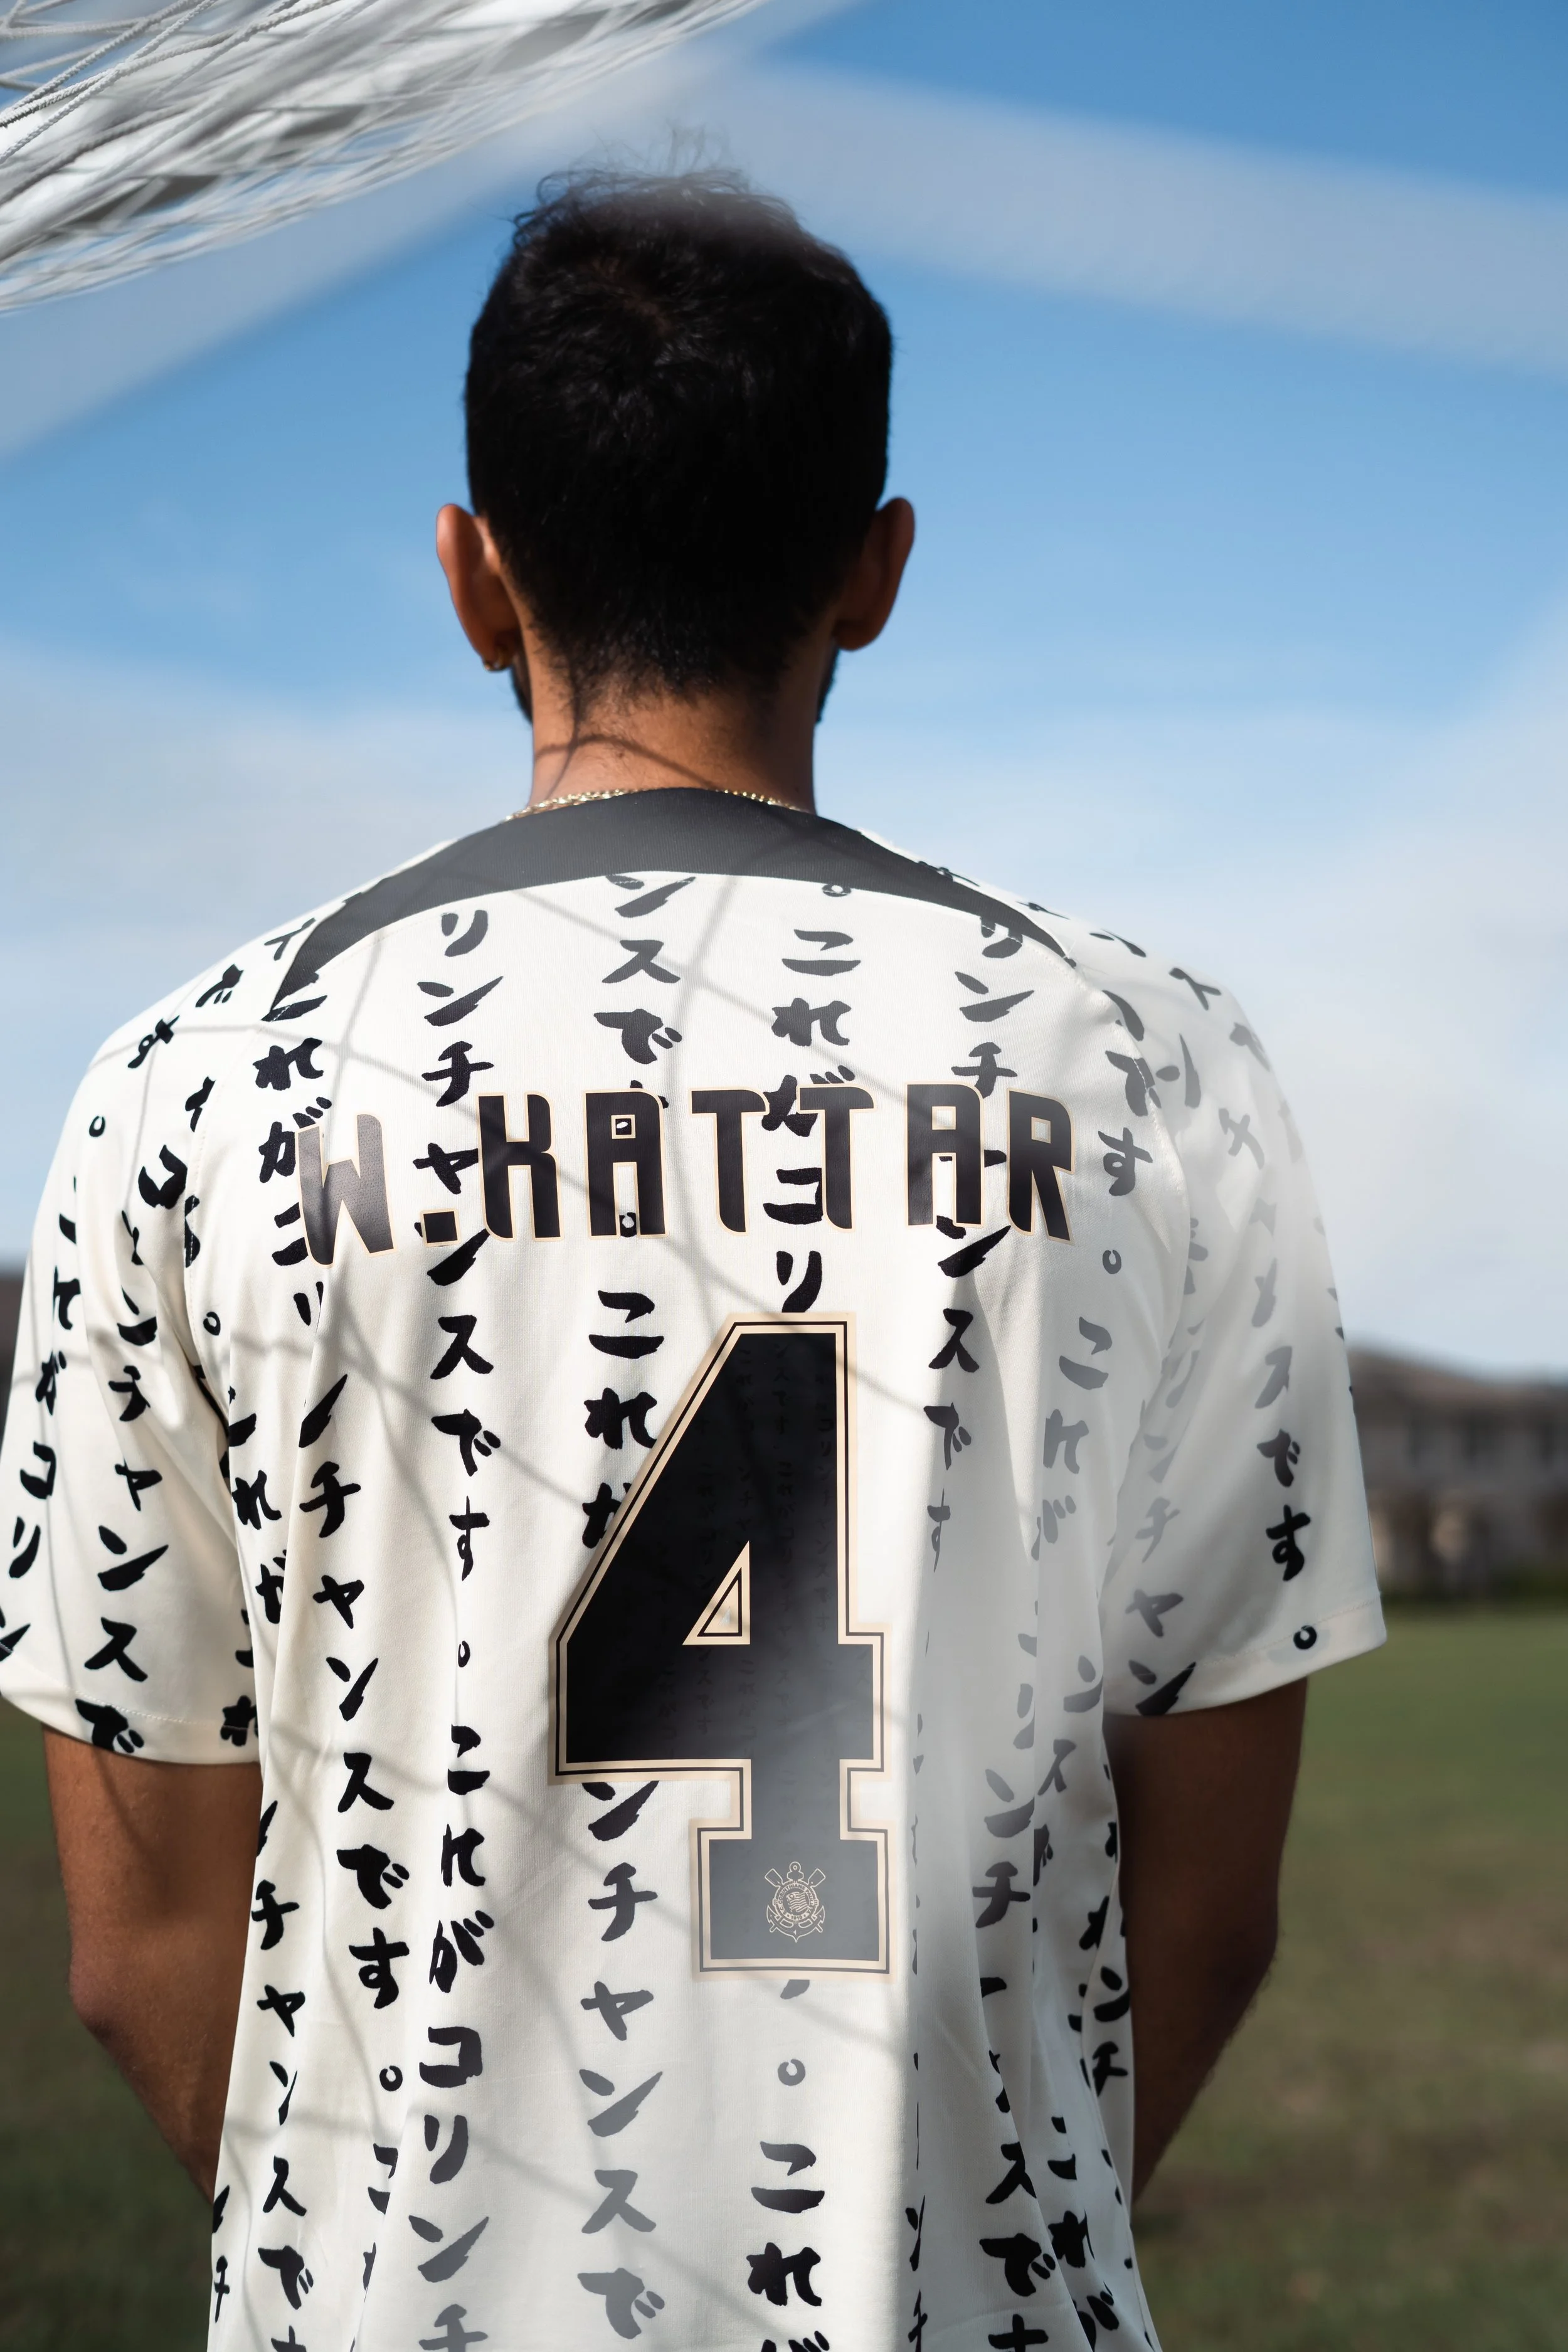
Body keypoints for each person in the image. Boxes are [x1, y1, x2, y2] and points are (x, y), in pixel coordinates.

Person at [0, 171, 1384, 2352]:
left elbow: (139, 1943)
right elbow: (1207, 1898)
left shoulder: (191, 1088)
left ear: (474, 576)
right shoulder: (1157, 1067)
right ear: (876, 569)